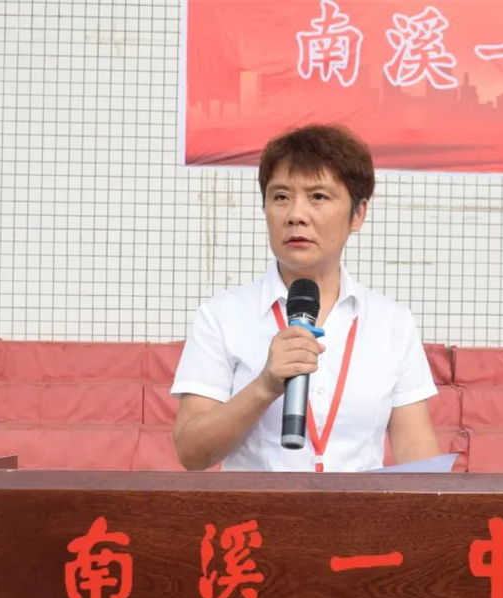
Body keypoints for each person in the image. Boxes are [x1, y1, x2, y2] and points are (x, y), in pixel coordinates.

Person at [170, 124, 439, 472]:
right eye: (281, 197)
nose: (296, 215)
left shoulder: (392, 323)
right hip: (260, 507)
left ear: (358, 214)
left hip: (357, 507)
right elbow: (191, 453)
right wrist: (264, 387)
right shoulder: (221, 316)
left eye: (318, 197)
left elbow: (416, 450)